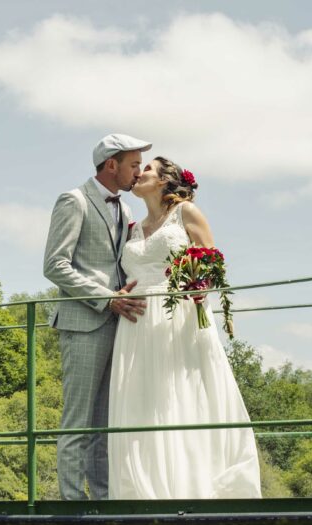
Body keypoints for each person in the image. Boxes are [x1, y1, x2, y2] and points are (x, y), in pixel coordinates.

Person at [107, 157, 262, 500]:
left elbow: (212, 260)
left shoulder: (187, 213)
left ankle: (190, 496)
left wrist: (197, 283)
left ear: (164, 181)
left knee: (180, 399)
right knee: (141, 404)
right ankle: (145, 499)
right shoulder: (131, 227)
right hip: (135, 323)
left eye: (146, 169)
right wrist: (116, 294)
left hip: (178, 318)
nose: (139, 173)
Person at [43, 133, 151, 501]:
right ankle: (74, 510)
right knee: (78, 422)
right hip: (84, 322)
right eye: (134, 164)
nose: (139, 172)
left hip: (120, 325)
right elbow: (55, 265)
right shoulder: (74, 201)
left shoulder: (126, 209)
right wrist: (106, 299)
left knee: (105, 424)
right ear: (111, 165)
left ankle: (103, 505)